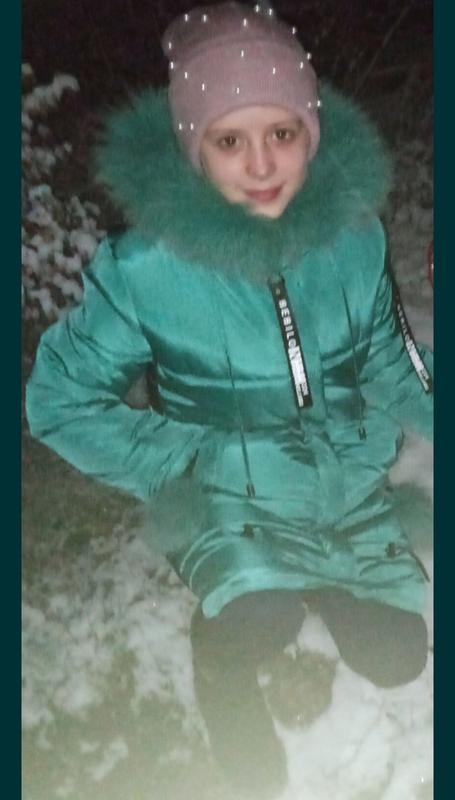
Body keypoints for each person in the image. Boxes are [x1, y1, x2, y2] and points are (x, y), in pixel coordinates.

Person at [26, 2, 433, 797]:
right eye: (228, 140)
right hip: (226, 495)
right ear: (193, 149)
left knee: (398, 656)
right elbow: (58, 401)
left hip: (339, 484)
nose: (261, 163)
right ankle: (221, 660)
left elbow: (388, 354)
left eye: (280, 132)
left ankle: (317, 575)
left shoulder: (352, 238)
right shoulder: (147, 269)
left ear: (310, 131)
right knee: (256, 619)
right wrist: (189, 460)